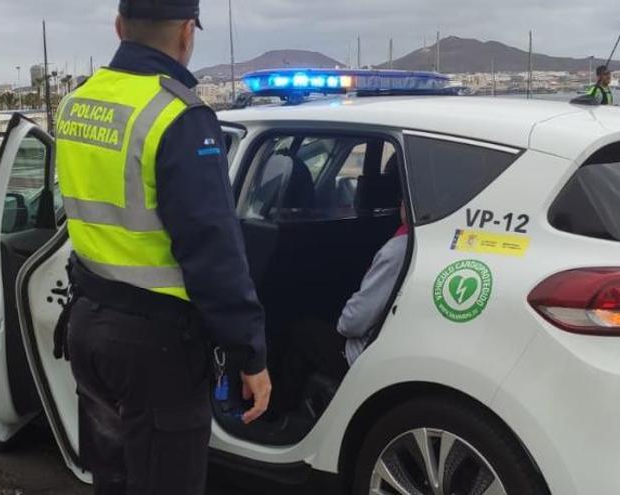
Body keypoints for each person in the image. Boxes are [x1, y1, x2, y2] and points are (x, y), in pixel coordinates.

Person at [54, 1, 271, 493]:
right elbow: (213, 250)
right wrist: (250, 354)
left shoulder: (76, 103)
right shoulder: (178, 115)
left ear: (119, 27)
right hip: (156, 348)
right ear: (186, 33)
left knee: (115, 478)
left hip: (89, 326)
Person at [286, 204, 409, 386]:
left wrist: (341, 319)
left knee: (299, 332)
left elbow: (351, 325)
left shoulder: (397, 251)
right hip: (396, 348)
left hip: (363, 355)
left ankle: (279, 408)